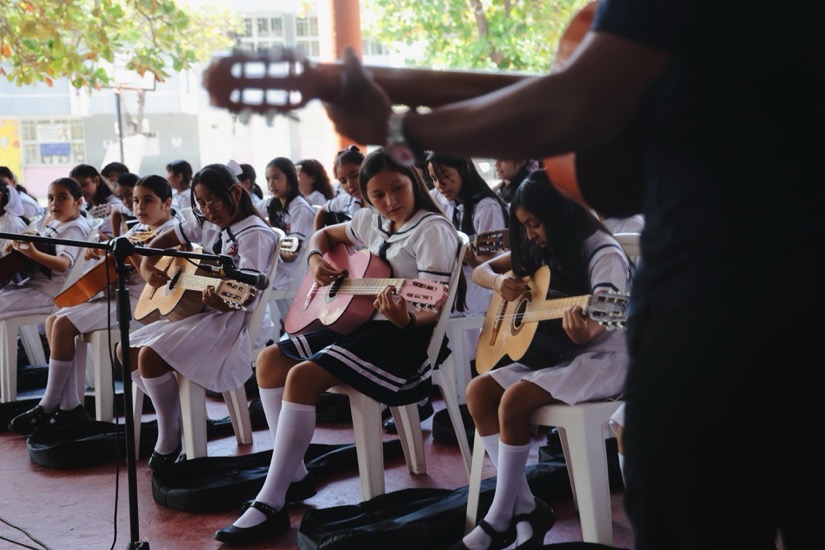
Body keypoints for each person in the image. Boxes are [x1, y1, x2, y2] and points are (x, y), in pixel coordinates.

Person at [321, 3, 824, 547]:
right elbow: (583, 97)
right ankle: (515, 504)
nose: (532, 234)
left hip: (700, 317)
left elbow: (578, 103)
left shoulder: (597, 244)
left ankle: (508, 510)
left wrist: (399, 121)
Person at [213, 149, 464, 545]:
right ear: (364, 196)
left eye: (397, 188)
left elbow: (431, 301)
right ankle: (293, 475)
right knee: (270, 360)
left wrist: (406, 316)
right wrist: (314, 260)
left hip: (404, 336)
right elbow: (325, 235)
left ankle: (271, 501)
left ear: (413, 180)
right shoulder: (368, 220)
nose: (390, 201)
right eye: (377, 194)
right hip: (360, 323)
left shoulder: (432, 229)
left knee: (302, 376)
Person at [452, 173, 631, 550]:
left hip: (606, 357)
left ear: (561, 214)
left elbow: (605, 313)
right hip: (561, 354)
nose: (530, 233)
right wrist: (498, 283)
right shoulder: (543, 249)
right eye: (524, 225)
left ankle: (499, 517)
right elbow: (485, 269)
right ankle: (528, 508)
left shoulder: (603, 252)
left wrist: (586, 333)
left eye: (535, 223)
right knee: (479, 391)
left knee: (514, 400)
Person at [117, 164, 278, 469]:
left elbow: (247, 292)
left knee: (150, 356)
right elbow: (165, 238)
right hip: (207, 314)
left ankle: (170, 432)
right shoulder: (207, 221)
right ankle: (176, 415)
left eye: (213, 201)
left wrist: (223, 303)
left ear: (236, 192)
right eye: (200, 203)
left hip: (237, 323)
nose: (207, 210)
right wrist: (148, 265)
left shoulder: (255, 234)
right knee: (126, 350)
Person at [8, 175, 179, 436]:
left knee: (63, 324)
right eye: (135, 201)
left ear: (167, 203)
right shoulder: (137, 228)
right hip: (117, 296)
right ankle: (70, 406)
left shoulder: (171, 233)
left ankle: (50, 403)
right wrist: (102, 251)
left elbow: (156, 276)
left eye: (148, 200)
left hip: (143, 305)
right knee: (56, 320)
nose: (140, 207)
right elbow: (117, 258)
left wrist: (124, 253)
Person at [0, 177, 92, 319]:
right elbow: (41, 245)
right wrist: (15, 245)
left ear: (78, 202)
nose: (55, 203)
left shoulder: (74, 228)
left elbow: (63, 264)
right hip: (37, 285)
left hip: (50, 292)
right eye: (50, 198)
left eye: (62, 198)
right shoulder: (58, 222)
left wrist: (33, 253)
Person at [262, 157, 315, 292]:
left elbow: (290, 256)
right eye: (268, 179)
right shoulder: (274, 203)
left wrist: (267, 245)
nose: (271, 184)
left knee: (253, 283)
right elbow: (250, 210)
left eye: (276, 178)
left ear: (290, 178)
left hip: (291, 275)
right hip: (277, 269)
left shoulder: (300, 209)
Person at [312, 145, 365, 231]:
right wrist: (316, 237)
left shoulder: (380, 201)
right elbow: (322, 210)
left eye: (354, 175)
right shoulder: (347, 200)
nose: (350, 184)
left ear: (365, 169)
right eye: (343, 181)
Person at [70, 163, 122, 238]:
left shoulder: (113, 205)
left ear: (96, 180)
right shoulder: (85, 205)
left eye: (84, 185)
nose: (80, 191)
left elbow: (109, 241)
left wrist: (88, 223)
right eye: (76, 188)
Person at [109, 172, 139, 236]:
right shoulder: (129, 208)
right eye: (121, 197)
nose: (125, 201)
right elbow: (115, 210)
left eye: (129, 194)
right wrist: (115, 237)